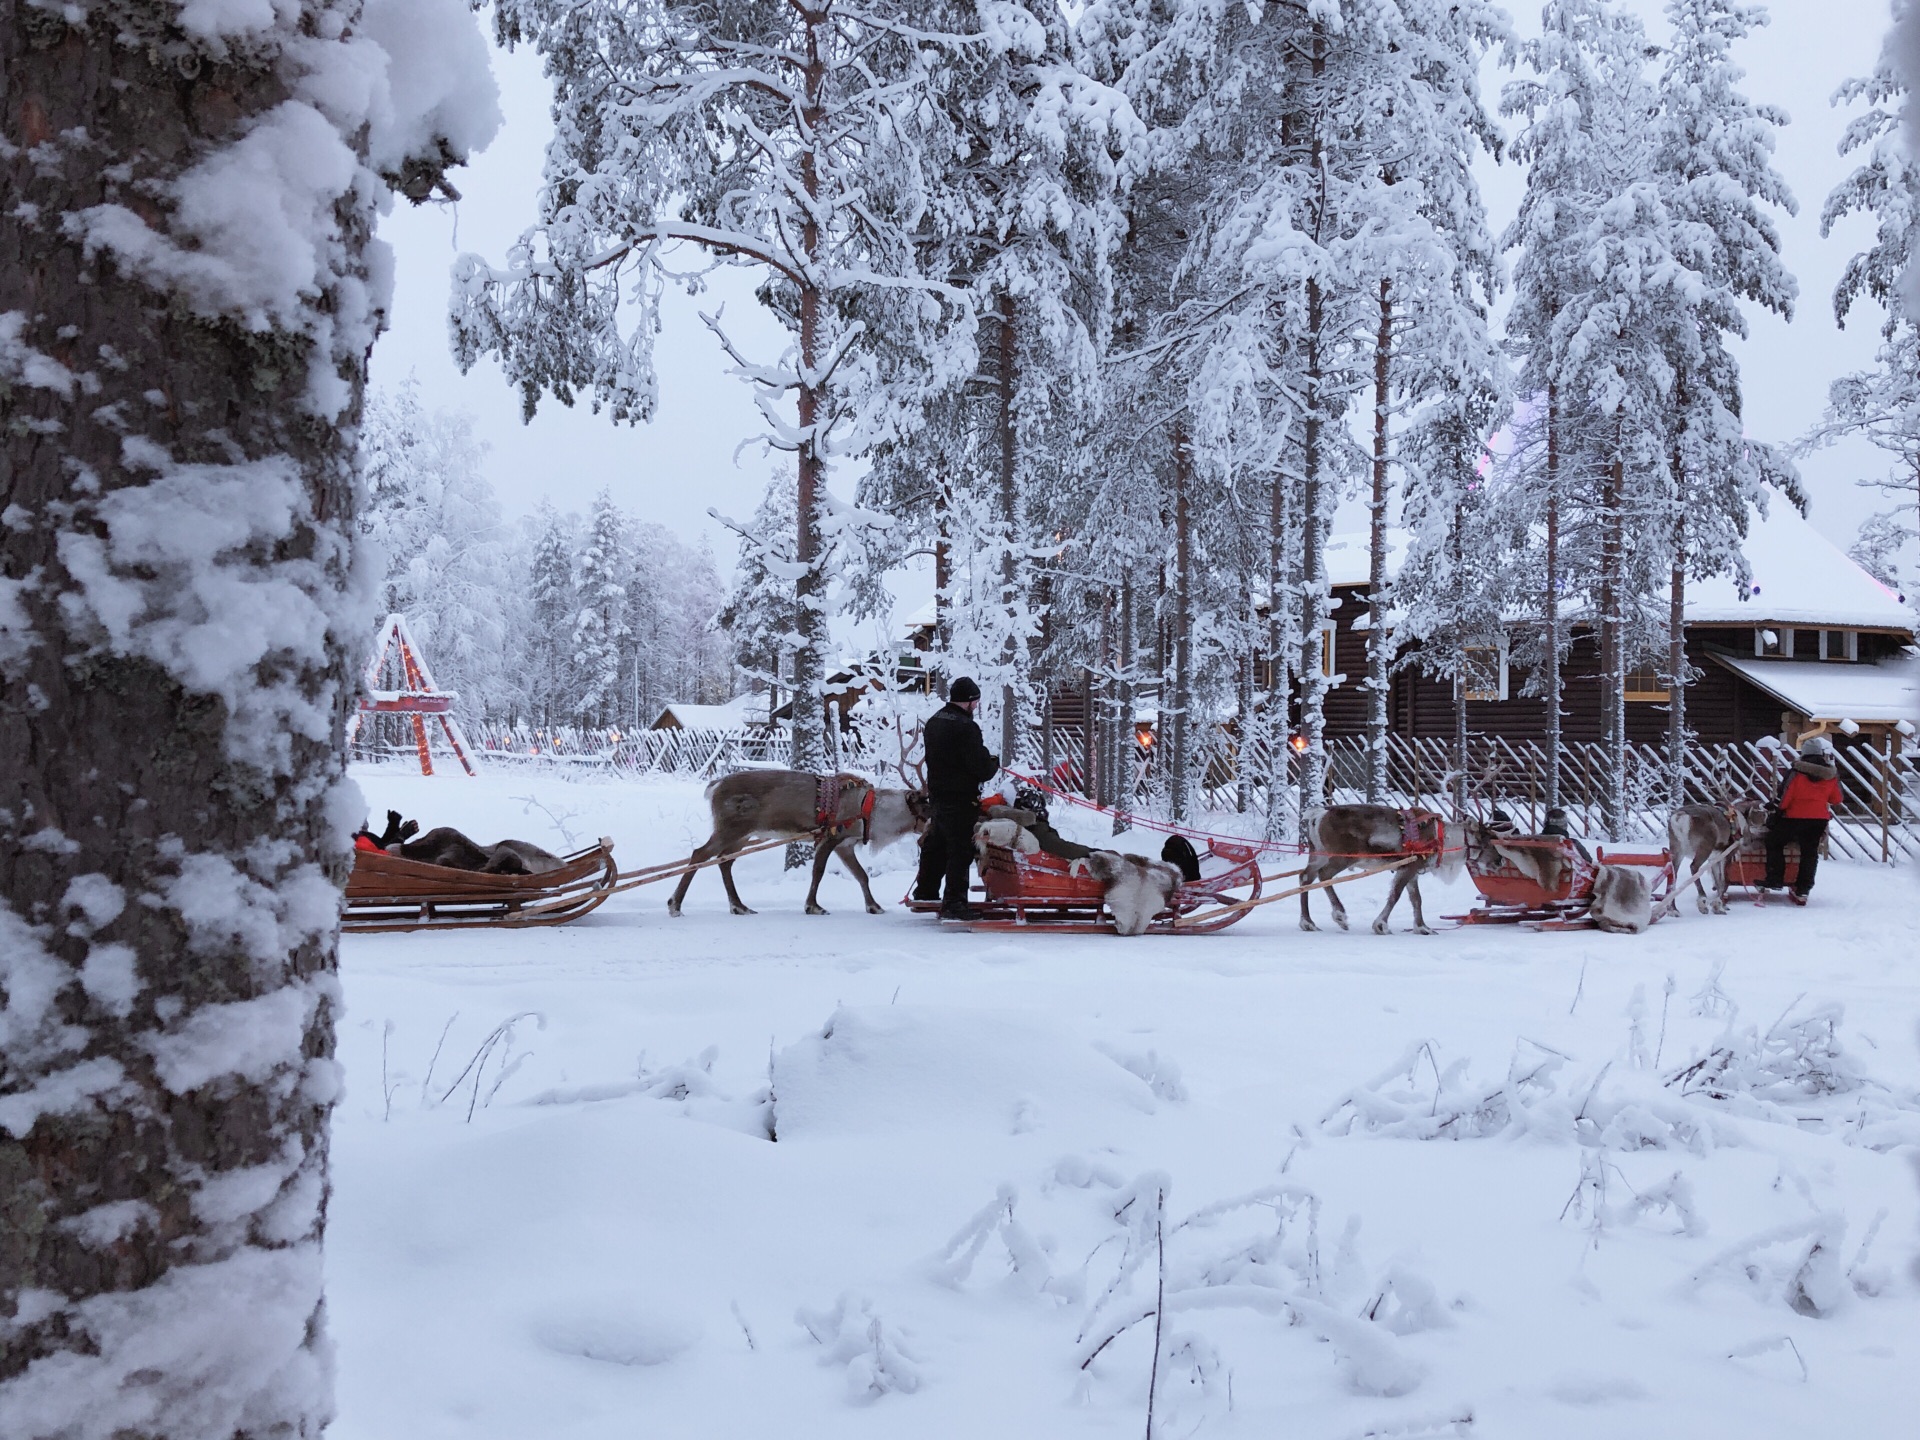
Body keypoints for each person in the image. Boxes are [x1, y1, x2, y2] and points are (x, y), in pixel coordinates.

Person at [911, 677, 1001, 919]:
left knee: (937, 842)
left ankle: (926, 891)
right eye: (976, 702)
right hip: (961, 797)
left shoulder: (935, 721)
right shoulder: (965, 727)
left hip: (938, 794)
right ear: (971, 701)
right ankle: (954, 903)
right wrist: (993, 763)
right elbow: (979, 766)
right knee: (960, 848)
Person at [1761, 736, 1843, 905]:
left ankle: (1776, 879)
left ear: (1803, 754)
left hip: (1793, 818)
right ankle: (1803, 889)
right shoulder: (1831, 775)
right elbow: (1836, 799)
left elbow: (1784, 799)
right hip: (1818, 820)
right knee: (1810, 853)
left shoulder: (1796, 772)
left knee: (1774, 842)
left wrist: (1775, 810)